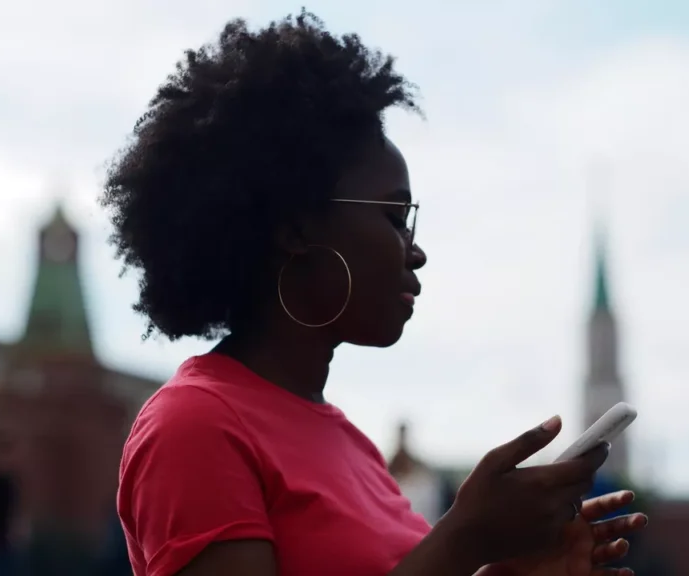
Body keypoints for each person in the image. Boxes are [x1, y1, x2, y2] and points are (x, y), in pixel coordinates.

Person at [103, 10, 647, 576]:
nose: (415, 251)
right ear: (295, 227)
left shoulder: (353, 447)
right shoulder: (194, 426)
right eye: (394, 217)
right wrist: (462, 540)